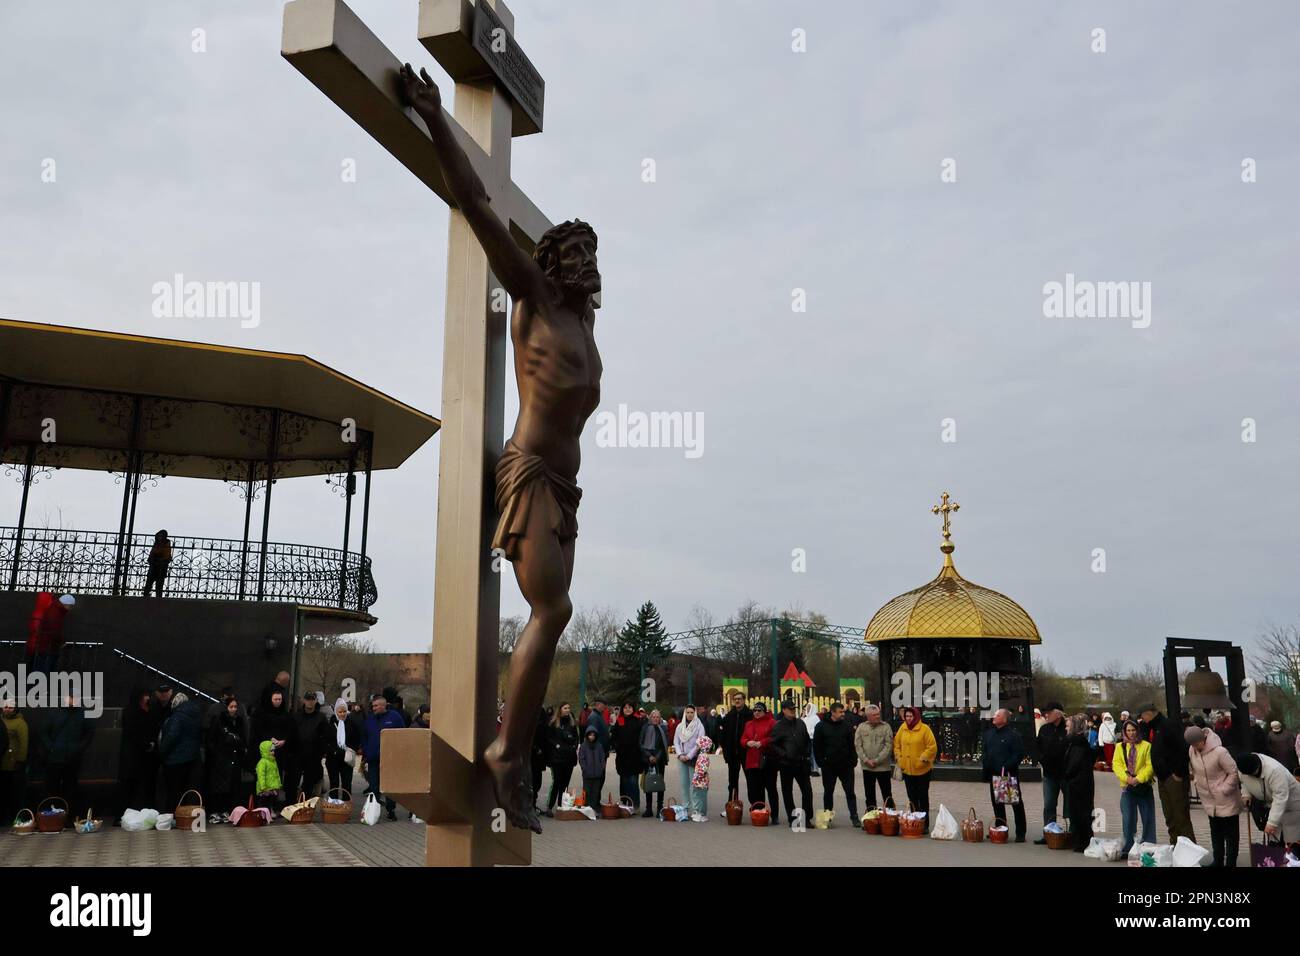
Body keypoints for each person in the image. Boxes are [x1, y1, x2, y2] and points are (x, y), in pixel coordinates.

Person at [1139, 703, 1195, 844]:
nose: (1142, 720)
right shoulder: (1154, 728)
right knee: (1169, 815)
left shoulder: (1168, 726)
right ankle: (1175, 845)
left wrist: (1178, 773)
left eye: (1142, 716)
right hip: (1162, 778)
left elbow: (1183, 749)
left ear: (1149, 713)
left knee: (1180, 815)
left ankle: (1190, 850)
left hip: (1173, 777)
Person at [1184, 725, 1241, 866]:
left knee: (1231, 836)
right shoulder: (1192, 750)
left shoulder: (1220, 752)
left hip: (1226, 799)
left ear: (1203, 738)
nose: (1196, 747)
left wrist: (1224, 789)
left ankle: (1231, 863)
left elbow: (1233, 772)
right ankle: (1218, 861)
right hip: (1209, 800)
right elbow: (1194, 770)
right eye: (1192, 744)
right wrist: (1197, 782)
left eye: (1197, 743)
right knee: (1216, 834)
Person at [42, 694, 94, 818]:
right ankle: (52, 816)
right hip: (55, 758)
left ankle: (69, 817)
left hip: (72, 758)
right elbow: (44, 732)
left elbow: (89, 733)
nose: (72, 700)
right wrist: (51, 748)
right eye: (70, 697)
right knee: (52, 788)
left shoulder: (83, 714)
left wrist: (79, 748)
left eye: (74, 698)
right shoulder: (55, 712)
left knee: (70, 789)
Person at [1112, 719, 1157, 856]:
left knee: (1148, 818)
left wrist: (1138, 779)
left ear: (1138, 731)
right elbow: (1116, 764)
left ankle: (1148, 845)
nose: (1131, 733)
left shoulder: (1146, 746)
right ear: (1125, 732)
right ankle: (1128, 847)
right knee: (1128, 819)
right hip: (1128, 788)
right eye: (1128, 731)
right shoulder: (1120, 747)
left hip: (1143, 787)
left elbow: (1150, 766)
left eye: (1133, 730)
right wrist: (1127, 779)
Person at [1234, 751, 1300, 842]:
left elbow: (1280, 798)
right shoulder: (1243, 768)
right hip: (1272, 805)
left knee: (1291, 841)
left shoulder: (1274, 770)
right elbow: (1244, 781)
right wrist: (1246, 794)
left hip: (1292, 805)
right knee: (1274, 840)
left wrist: (1272, 822)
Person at [981, 707, 1026, 842]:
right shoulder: (989, 734)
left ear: (1005, 719)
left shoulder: (1013, 736)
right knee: (997, 803)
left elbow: (1018, 754)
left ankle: (1020, 832)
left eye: (997, 715)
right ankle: (1000, 829)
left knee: (1015, 803)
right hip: (993, 773)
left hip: (1007, 774)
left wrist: (1006, 766)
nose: (994, 717)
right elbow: (985, 751)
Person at [360, 693, 405, 820]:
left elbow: (401, 735)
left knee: (389, 787)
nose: (373, 708)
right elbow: (364, 737)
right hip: (373, 759)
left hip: (390, 759)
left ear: (383, 705)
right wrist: (366, 752)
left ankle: (391, 810)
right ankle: (374, 810)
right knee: (374, 786)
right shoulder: (369, 719)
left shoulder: (394, 717)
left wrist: (397, 752)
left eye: (375, 706)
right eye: (372, 706)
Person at [769, 699, 813, 827]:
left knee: (807, 791)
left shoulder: (800, 723)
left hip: (801, 762)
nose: (793, 711)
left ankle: (806, 818)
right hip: (786, 764)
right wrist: (784, 753)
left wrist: (807, 753)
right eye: (790, 709)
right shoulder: (778, 726)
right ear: (783, 710)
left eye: (794, 708)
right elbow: (773, 744)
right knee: (787, 792)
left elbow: (807, 740)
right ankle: (792, 818)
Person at [814, 702, 859, 823]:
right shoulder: (821, 726)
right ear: (833, 712)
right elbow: (817, 746)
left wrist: (853, 760)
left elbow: (851, 744)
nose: (843, 714)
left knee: (850, 792)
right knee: (828, 792)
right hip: (828, 765)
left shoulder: (847, 725)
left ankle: (854, 816)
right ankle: (827, 817)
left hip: (846, 765)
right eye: (840, 712)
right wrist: (821, 762)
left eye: (843, 711)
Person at [893, 706, 937, 831]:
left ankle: (924, 824)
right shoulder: (903, 728)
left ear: (916, 716)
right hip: (907, 770)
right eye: (906, 716)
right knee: (912, 797)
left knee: (922, 797)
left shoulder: (925, 729)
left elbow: (932, 747)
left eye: (911, 716)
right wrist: (899, 758)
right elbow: (896, 744)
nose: (908, 718)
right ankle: (914, 821)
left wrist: (922, 759)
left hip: (922, 770)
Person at [158, 692, 202, 810]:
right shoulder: (196, 715)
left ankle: (173, 815)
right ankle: (188, 816)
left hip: (175, 760)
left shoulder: (177, 716)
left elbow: (171, 736)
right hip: (193, 758)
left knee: (174, 791)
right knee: (188, 790)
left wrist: (161, 751)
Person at [1033, 702, 1068, 844]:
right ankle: (1048, 833)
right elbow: (1037, 747)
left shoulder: (1067, 728)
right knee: (1049, 805)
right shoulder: (1044, 729)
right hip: (1049, 775)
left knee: (1070, 806)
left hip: (1066, 775)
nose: (1046, 714)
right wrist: (1041, 759)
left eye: (1049, 712)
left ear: (1058, 713)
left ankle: (1071, 833)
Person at [739, 702, 779, 824]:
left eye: (759, 710)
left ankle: (775, 815)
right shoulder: (748, 724)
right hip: (752, 761)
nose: (756, 712)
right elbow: (742, 739)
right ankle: (758, 812)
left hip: (767, 761)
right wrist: (747, 742)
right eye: (755, 710)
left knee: (771, 788)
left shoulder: (772, 723)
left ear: (764, 711)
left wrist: (762, 742)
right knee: (754, 789)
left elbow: (775, 738)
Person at [287, 691, 330, 799]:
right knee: (292, 782)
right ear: (304, 700)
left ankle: (304, 806)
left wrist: (321, 752)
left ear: (316, 701)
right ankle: (290, 805)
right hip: (296, 754)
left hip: (313, 755)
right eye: (308, 699)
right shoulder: (296, 716)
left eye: (312, 699)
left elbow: (326, 736)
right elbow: (290, 734)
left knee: (308, 783)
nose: (310, 702)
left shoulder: (321, 717)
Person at [249, 687, 294, 790]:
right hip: (263, 755)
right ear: (270, 699)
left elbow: (290, 731)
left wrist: (284, 741)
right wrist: (269, 739)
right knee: (262, 780)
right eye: (275, 699)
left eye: (280, 699)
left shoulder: (285, 715)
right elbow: (256, 732)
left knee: (276, 781)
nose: (278, 702)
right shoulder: (260, 714)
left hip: (279, 754)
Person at [1062, 714, 1095, 852]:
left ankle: (1083, 841)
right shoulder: (1074, 742)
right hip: (1078, 782)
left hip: (1080, 783)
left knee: (1081, 813)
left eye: (1068, 725)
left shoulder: (1078, 743)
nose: (1065, 728)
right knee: (1077, 813)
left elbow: (1074, 764)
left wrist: (1066, 773)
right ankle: (1080, 840)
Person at [717, 692, 753, 806]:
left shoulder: (750, 715)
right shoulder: (729, 716)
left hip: (747, 753)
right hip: (732, 753)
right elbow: (723, 734)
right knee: (732, 781)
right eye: (735, 699)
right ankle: (732, 804)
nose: (737, 701)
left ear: (744, 700)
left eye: (739, 699)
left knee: (751, 780)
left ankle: (755, 805)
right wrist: (725, 750)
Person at [854, 704, 893, 809]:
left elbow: (888, 746)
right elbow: (858, 745)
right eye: (874, 715)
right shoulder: (861, 728)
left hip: (883, 767)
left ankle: (890, 818)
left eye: (878, 714)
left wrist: (876, 760)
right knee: (869, 795)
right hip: (867, 767)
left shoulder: (886, 727)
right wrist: (866, 760)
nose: (877, 716)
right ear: (868, 716)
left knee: (887, 794)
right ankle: (871, 818)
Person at [673, 705, 708, 822]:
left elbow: (700, 743)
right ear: (684, 713)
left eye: (692, 712)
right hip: (681, 758)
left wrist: (689, 756)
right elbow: (676, 741)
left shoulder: (699, 726)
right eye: (687, 712)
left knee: (694, 785)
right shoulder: (680, 726)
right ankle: (685, 807)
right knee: (684, 784)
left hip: (694, 759)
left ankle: (696, 809)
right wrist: (680, 754)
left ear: (695, 713)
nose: (689, 714)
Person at [545, 702, 580, 816]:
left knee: (565, 784)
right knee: (556, 782)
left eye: (569, 708)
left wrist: (574, 746)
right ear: (560, 709)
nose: (567, 710)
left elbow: (576, 737)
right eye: (565, 708)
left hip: (569, 757)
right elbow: (548, 737)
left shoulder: (572, 722)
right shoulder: (554, 722)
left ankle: (561, 805)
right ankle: (550, 806)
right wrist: (556, 745)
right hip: (557, 758)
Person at [26, 592, 75, 675]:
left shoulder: (54, 610)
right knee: (42, 672)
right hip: (48, 647)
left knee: (39, 671)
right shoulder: (55, 613)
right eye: (70, 606)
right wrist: (61, 641)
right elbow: (54, 629)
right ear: (66, 604)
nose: (70, 608)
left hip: (43, 646)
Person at [611, 701, 644, 813]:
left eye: (630, 707)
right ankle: (625, 803)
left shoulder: (638, 721)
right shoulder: (619, 721)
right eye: (625, 707)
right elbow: (614, 737)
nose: (628, 709)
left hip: (635, 756)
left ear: (633, 709)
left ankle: (635, 804)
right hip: (622, 757)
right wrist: (617, 746)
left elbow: (642, 737)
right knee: (624, 782)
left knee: (633, 782)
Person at [1, 699, 30, 825]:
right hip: (2, 763)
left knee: (17, 794)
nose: (7, 709)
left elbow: (24, 744)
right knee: (4, 793)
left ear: (15, 709)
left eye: (10, 707)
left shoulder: (20, 723)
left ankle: (19, 819)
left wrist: (20, 760)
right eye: (5, 707)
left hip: (15, 764)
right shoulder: (1, 721)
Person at [326, 698, 361, 799]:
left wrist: (351, 749)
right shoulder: (331, 723)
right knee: (334, 783)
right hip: (333, 758)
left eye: (344, 711)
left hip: (347, 759)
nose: (342, 714)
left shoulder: (352, 723)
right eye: (340, 712)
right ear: (336, 712)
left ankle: (346, 806)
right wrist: (332, 750)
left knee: (346, 784)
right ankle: (333, 806)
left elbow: (356, 739)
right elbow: (327, 739)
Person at [640, 708, 669, 818]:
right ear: (650, 717)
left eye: (658, 717)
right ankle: (648, 809)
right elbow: (641, 743)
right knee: (649, 782)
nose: (656, 719)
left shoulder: (663, 728)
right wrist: (649, 756)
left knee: (659, 783)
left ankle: (659, 808)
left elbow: (664, 745)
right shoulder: (645, 728)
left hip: (659, 760)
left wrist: (657, 757)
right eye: (654, 717)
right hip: (648, 760)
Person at [578, 727, 606, 807]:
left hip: (597, 774)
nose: (592, 737)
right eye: (590, 735)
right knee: (587, 792)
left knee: (595, 792)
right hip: (587, 774)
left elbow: (602, 758)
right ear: (587, 735)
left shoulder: (599, 746)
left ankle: (593, 807)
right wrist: (585, 768)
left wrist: (601, 768)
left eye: (593, 735)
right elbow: (581, 759)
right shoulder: (583, 746)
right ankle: (586, 806)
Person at [530, 706, 549, 810]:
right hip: (532, 757)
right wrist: (535, 748)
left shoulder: (541, 715)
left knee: (536, 783)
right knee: (532, 782)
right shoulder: (531, 722)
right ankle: (531, 805)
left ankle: (533, 804)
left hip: (539, 758)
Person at [143, 530, 173, 597]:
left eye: (161, 536)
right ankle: (145, 597)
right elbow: (151, 554)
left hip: (161, 567)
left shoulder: (166, 544)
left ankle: (158, 599)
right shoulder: (156, 544)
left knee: (159, 584)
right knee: (149, 583)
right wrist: (151, 559)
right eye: (158, 536)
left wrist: (159, 559)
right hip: (153, 566)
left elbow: (167, 556)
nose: (159, 537)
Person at [802, 702, 821, 776]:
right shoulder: (805, 718)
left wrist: (811, 733)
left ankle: (815, 769)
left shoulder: (816, 718)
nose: (808, 709)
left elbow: (817, 728)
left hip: (813, 738)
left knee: (814, 754)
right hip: (806, 739)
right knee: (808, 754)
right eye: (807, 708)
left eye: (809, 708)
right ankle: (809, 769)